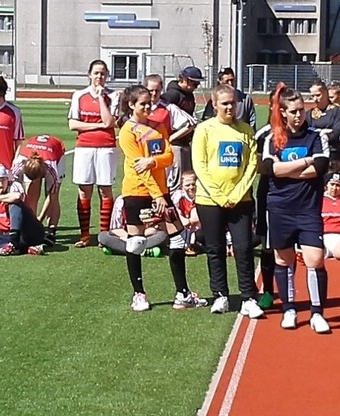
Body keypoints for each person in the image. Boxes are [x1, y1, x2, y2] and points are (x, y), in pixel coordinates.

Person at [116, 85, 202, 312]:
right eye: (142, 103)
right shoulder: (127, 132)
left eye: (149, 102)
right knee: (136, 243)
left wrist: (152, 162)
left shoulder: (158, 126)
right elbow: (138, 168)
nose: (147, 106)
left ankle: (182, 293)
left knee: (177, 237)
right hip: (137, 193)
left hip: (161, 192)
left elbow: (167, 156)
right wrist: (157, 195)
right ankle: (139, 294)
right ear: (131, 105)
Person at [259, 85, 332, 332]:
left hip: (308, 209)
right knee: (284, 259)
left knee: (315, 259)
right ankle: (289, 308)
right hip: (279, 208)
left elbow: (321, 167)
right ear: (283, 112)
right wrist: (305, 162)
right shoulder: (272, 138)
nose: (299, 115)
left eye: (302, 110)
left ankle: (317, 312)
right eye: (293, 111)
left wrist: (288, 170)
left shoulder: (316, 136)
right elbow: (270, 170)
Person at [192, 83, 263, 318]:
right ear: (215, 105)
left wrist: (235, 194)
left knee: (243, 247)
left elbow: (252, 165)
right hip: (210, 201)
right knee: (215, 249)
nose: (230, 107)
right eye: (225, 103)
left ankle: (248, 297)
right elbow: (200, 166)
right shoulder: (204, 129)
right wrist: (220, 196)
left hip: (240, 201)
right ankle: (220, 295)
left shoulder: (246, 130)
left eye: (233, 103)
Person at [68, 60, 117, 248]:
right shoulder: (79, 95)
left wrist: (100, 99)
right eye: (96, 73)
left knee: (105, 190)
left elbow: (109, 122)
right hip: (84, 147)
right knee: (84, 190)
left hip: (106, 147)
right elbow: (73, 124)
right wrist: (97, 125)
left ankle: (104, 236)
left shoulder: (113, 96)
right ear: (89, 74)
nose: (99, 77)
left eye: (103, 73)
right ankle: (85, 235)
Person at [0, 164, 47, 255]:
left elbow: (17, 196)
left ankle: (14, 245)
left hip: (29, 231)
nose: (1, 185)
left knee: (15, 204)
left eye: (3, 180)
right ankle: (24, 248)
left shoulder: (14, 186)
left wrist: (0, 198)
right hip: (12, 236)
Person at [12, 133, 66, 243]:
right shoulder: (19, 164)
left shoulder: (51, 168)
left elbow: (52, 196)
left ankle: (51, 231)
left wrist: (39, 219)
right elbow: (13, 188)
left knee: (53, 196)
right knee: (30, 193)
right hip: (31, 149)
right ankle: (29, 223)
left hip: (56, 150)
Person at [160, 65, 203, 176]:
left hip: (185, 141)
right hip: (174, 143)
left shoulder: (189, 95)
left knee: (187, 177)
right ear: (184, 79)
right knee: (176, 178)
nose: (196, 87)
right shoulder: (172, 94)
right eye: (194, 83)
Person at [321, 173, 340, 263]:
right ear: (326, 185)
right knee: (313, 253)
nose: (334, 188)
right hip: (322, 238)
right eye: (332, 184)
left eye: (338, 185)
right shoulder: (318, 200)